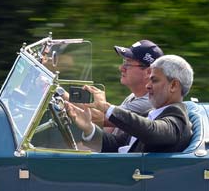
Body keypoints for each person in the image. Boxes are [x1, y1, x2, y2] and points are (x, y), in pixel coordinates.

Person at [66, 54, 194, 154]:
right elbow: (116, 145)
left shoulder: (178, 119)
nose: (148, 86)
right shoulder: (149, 114)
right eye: (149, 80)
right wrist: (88, 128)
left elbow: (152, 131)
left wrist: (106, 107)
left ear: (173, 85)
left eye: (154, 80)